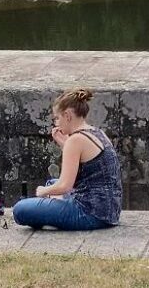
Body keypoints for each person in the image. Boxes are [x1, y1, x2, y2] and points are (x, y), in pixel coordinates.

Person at [13, 88, 122, 231]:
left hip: (89, 213)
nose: (56, 123)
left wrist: (42, 191)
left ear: (67, 115)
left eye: (57, 118)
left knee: (20, 210)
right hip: (109, 211)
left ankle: (48, 211)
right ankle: (50, 208)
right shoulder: (97, 132)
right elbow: (86, 170)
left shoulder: (75, 140)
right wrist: (64, 144)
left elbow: (65, 185)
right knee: (52, 183)